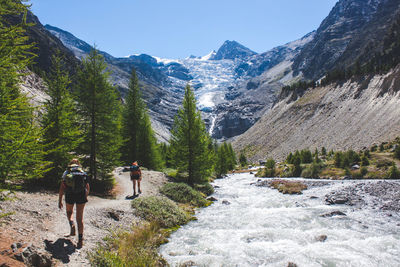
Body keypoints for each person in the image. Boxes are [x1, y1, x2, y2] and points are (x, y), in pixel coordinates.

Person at [58, 159, 89, 248]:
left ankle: (72, 224)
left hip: (70, 194)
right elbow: (87, 186)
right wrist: (85, 196)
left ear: (70, 164)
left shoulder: (67, 172)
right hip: (81, 195)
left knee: (69, 212)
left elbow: (62, 187)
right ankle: (80, 240)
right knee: (80, 218)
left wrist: (60, 200)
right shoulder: (82, 172)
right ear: (78, 164)